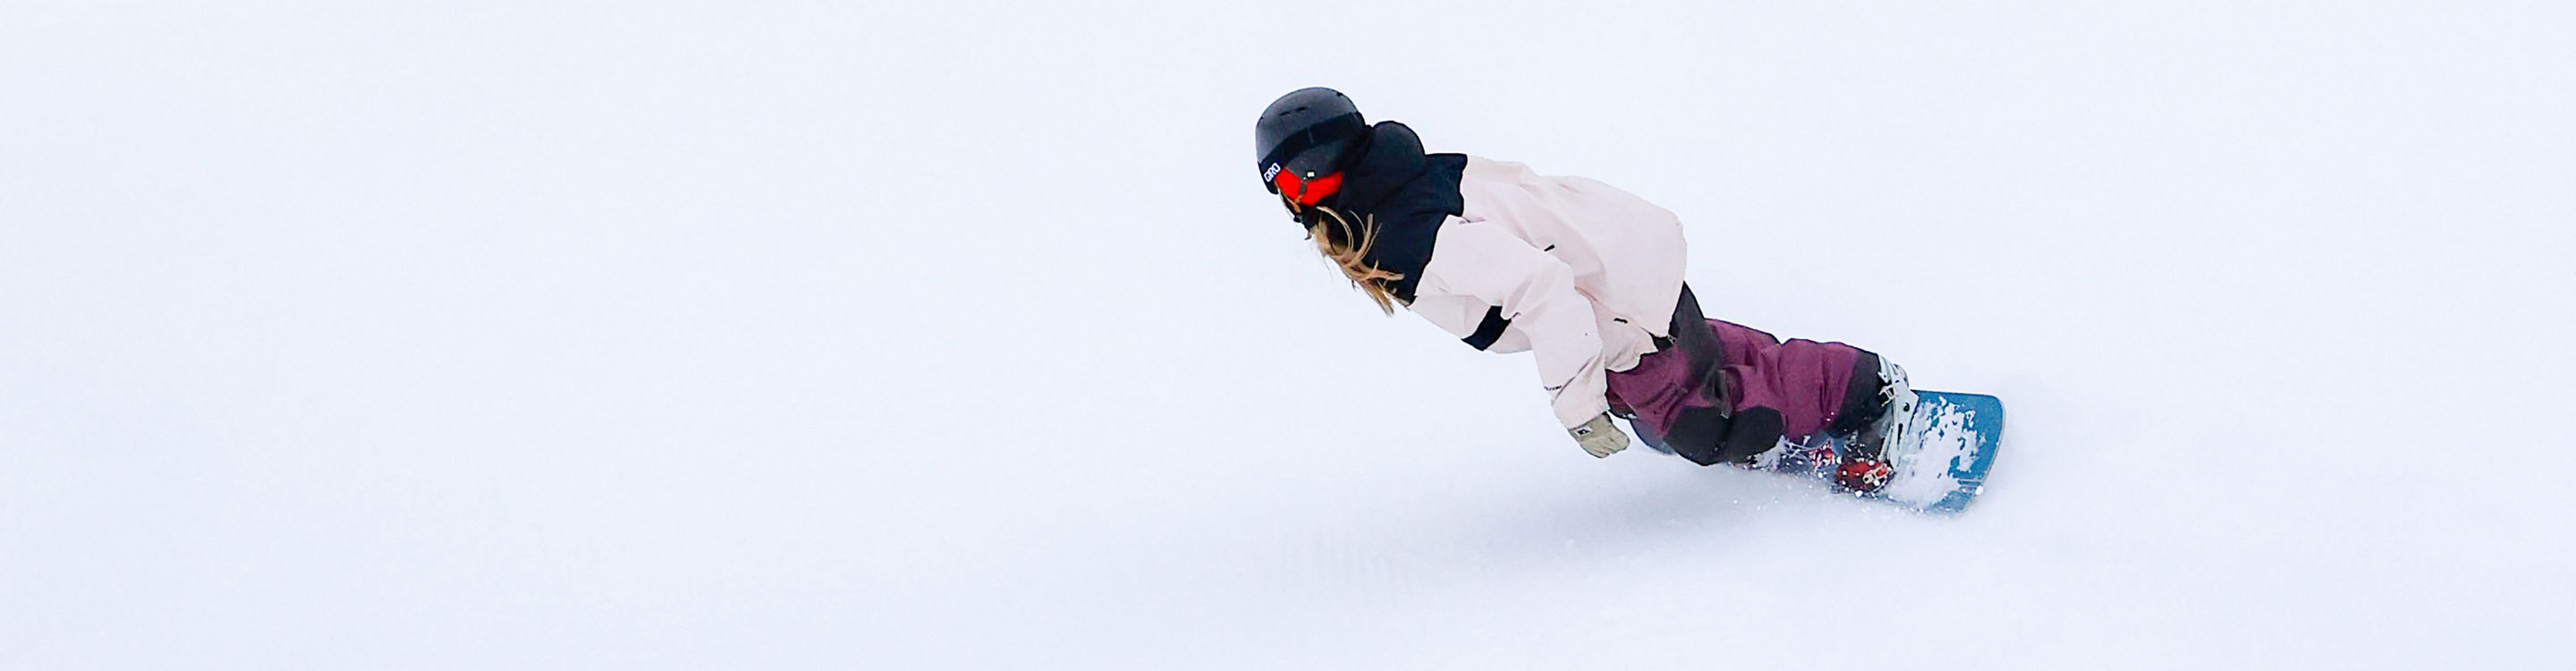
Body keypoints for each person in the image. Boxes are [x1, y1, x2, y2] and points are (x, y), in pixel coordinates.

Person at [1253, 87, 1919, 491]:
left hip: (1613, 302)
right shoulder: (1402, 175)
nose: (1294, 204)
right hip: (1624, 258)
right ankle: (1788, 387)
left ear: (1323, 169)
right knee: (1698, 358)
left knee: (1702, 430)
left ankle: (1868, 395)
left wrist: (1578, 408)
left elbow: (1542, 290)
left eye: (1293, 185)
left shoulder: (1403, 235)